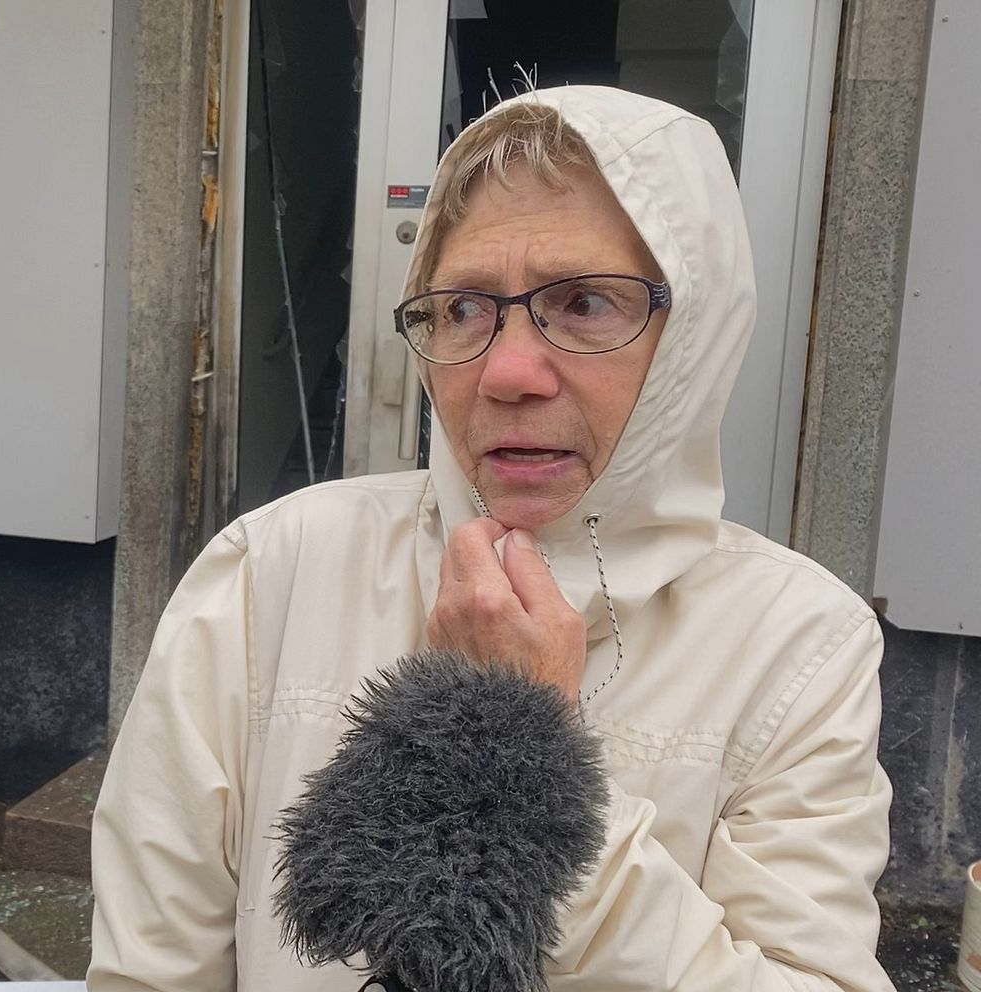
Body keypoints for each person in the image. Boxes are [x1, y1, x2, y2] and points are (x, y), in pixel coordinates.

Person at [87, 86, 896, 991]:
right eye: (465, 309)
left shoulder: (798, 643)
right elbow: (151, 968)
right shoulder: (271, 570)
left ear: (692, 341)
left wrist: (526, 766)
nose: (507, 372)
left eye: (585, 301)